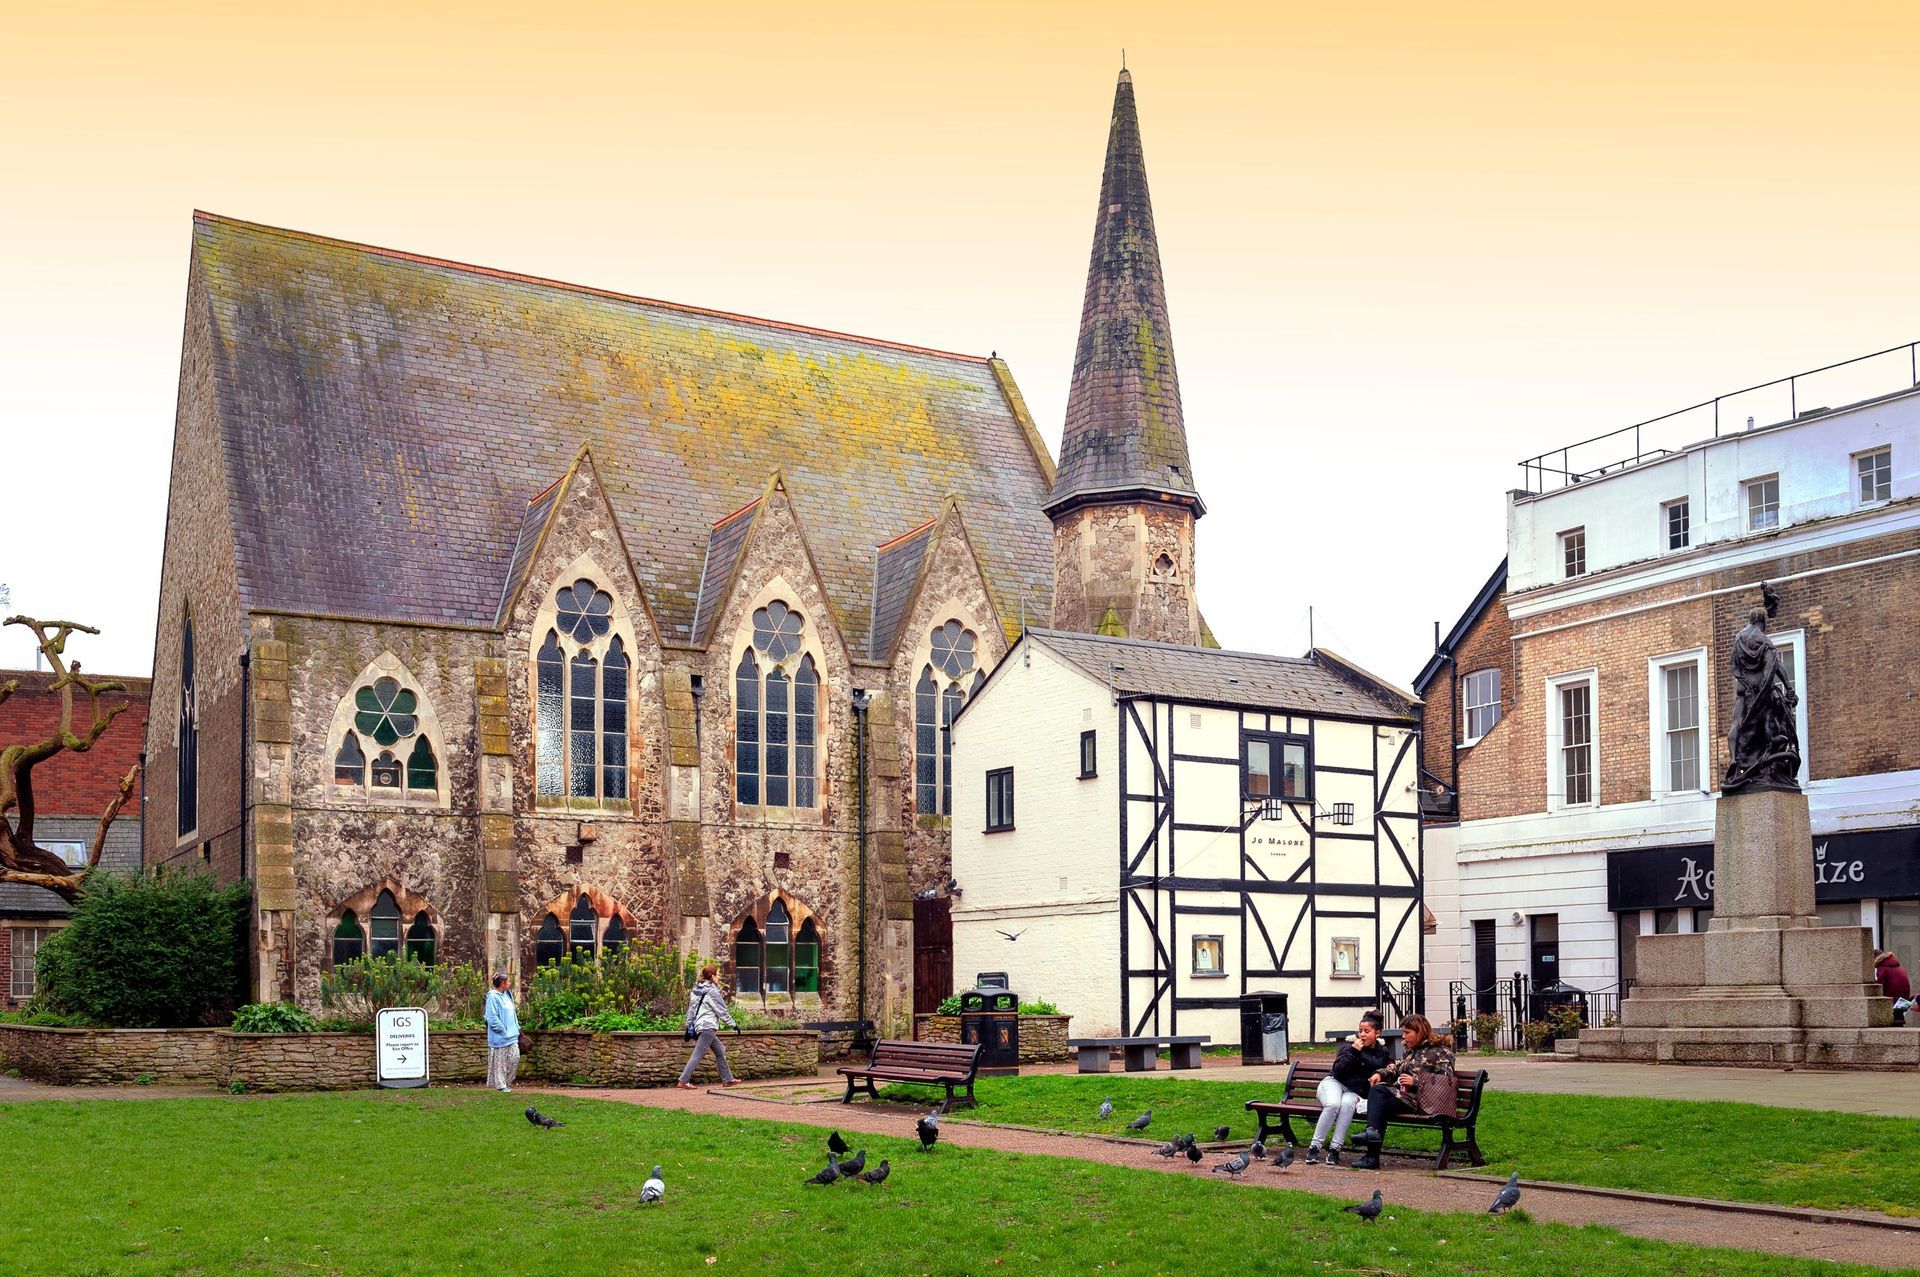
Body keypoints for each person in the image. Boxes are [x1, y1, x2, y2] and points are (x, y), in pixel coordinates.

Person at [1350, 1013, 1456, 1170]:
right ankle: (1371, 1146)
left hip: (1425, 1102)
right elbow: (1397, 1069)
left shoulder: (1441, 1052)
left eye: (1407, 1032)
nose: (1403, 1036)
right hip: (1407, 1098)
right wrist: (1381, 1073)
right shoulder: (1410, 1050)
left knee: (1379, 1095)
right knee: (1380, 1099)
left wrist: (1417, 1082)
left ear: (1419, 1031)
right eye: (1403, 1032)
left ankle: (1371, 1149)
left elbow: (1445, 1081)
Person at [1305, 1012, 1390, 1167]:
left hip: (1354, 1091)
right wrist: (1353, 1052)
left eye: (1367, 1031)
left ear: (1377, 1033)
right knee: (1333, 1104)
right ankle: (1314, 1147)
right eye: (1360, 1031)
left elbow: (1387, 1066)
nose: (1362, 1035)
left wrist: (1384, 1071)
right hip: (1334, 1083)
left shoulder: (1382, 1052)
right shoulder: (1349, 1047)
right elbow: (1337, 1070)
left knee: (1347, 1105)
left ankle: (1335, 1150)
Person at [677, 965, 740, 1089]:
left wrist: (689, 1026)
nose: (718, 977)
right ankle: (683, 1080)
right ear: (712, 976)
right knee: (698, 1054)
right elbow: (721, 1011)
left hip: (701, 1026)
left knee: (720, 1050)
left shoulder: (696, 990)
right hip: (708, 1027)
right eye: (717, 975)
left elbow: (691, 1010)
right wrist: (734, 1025)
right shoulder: (712, 991)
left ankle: (728, 1079)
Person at [484, 972, 522, 1093]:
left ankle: (506, 1081)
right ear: (502, 983)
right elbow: (491, 1017)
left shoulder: (507, 994)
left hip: (513, 1035)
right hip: (500, 1037)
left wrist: (517, 1027)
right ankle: (501, 1085)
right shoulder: (492, 996)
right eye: (508, 981)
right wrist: (502, 1030)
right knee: (499, 1063)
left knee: (515, 1057)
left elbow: (513, 1013)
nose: (510, 983)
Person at [1875, 950, 1910, 1025]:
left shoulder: (1882, 968)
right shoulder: (1899, 967)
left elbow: (1880, 986)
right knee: (1898, 1018)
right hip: (1903, 998)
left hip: (1892, 998)